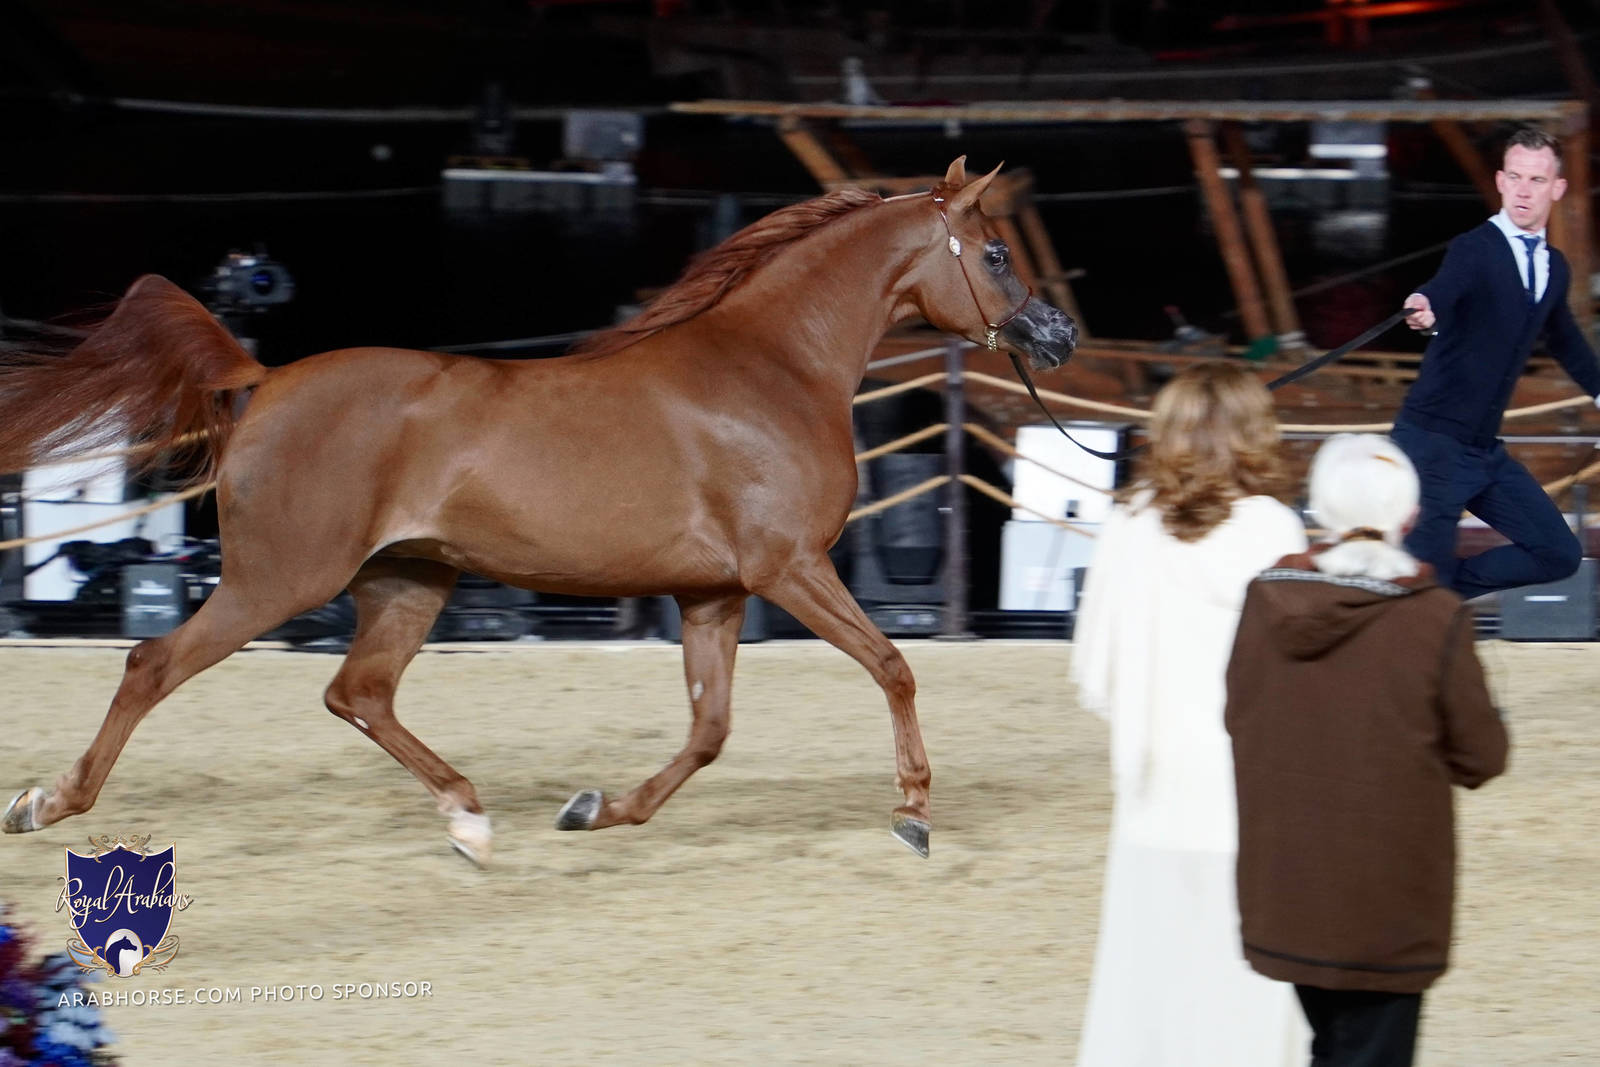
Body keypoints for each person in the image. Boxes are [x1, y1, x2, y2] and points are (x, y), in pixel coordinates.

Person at [1225, 433, 1509, 1067]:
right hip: (1388, 904)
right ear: (1408, 516)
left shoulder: (1263, 602)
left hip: (1289, 889)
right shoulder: (1434, 617)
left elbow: (1238, 716)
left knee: (1331, 1046)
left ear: (1318, 509)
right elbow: (1483, 758)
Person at [1070, 360, 1310, 1066]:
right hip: (1251, 777)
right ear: (1252, 432)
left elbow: (1095, 670)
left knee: (1150, 961)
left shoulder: (1128, 523)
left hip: (1153, 773)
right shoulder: (1271, 527)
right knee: (1247, 965)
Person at [1395, 126, 1600, 601]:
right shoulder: (1475, 248)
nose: (1524, 190)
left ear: (1557, 188)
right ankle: (1429, 602)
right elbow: (1446, 286)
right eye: (1516, 177)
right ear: (1501, 182)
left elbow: (1565, 339)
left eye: (1536, 179)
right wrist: (1426, 306)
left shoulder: (1554, 266)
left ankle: (1441, 596)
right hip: (1432, 446)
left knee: (1557, 553)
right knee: (1422, 583)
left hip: (1484, 452)